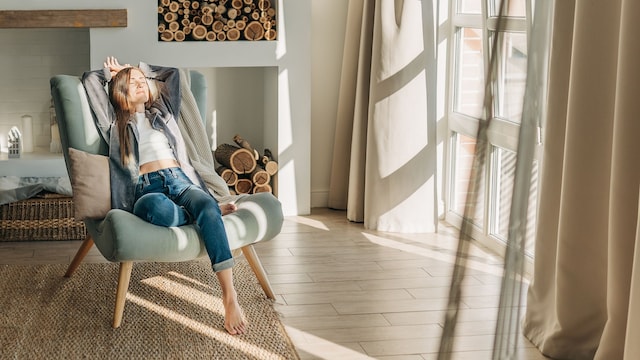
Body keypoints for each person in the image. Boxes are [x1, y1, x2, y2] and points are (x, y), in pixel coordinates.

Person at [82, 56, 247, 335]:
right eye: (131, 82)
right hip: (146, 188)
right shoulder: (114, 122)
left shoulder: (162, 111)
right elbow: (90, 81)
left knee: (205, 204)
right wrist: (116, 74)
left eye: (141, 80)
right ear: (119, 92)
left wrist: (133, 69)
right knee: (155, 209)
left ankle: (229, 296)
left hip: (180, 180)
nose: (140, 83)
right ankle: (203, 214)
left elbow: (173, 74)